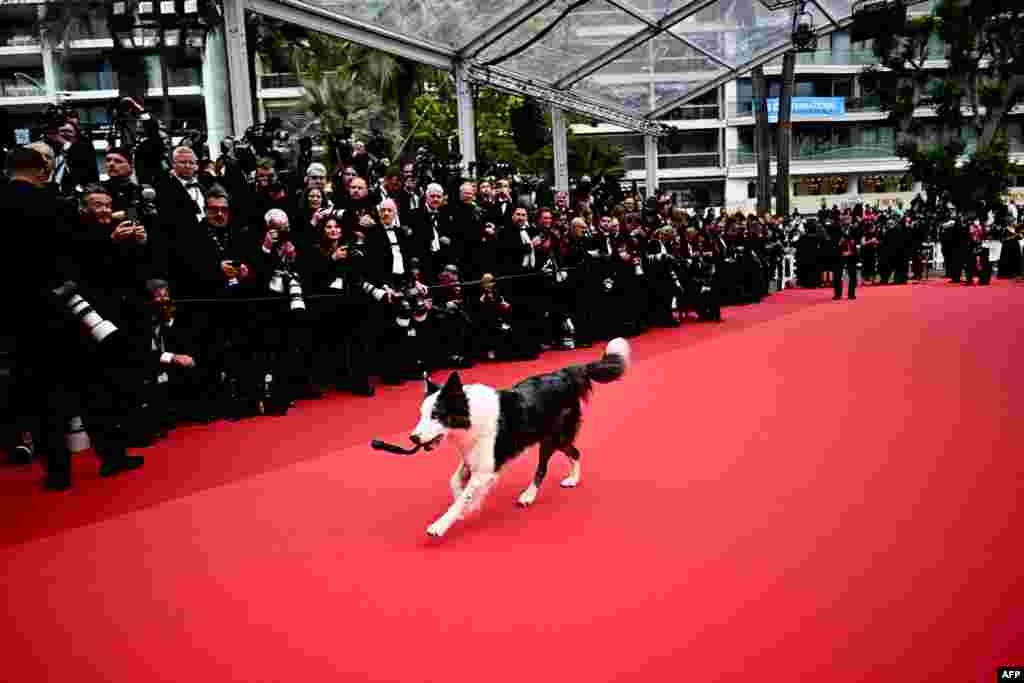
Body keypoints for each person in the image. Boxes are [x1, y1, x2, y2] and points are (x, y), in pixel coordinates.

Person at [3, 145, 143, 490]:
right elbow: (77, 250)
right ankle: (111, 455)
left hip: (19, 315)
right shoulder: (52, 204)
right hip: (64, 309)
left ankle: (57, 471)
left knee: (42, 396)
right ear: (40, 171)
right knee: (92, 386)